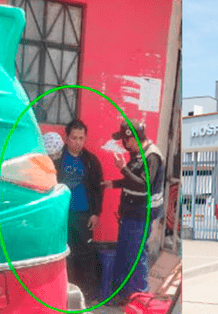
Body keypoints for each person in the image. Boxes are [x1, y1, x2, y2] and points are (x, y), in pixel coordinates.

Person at [102, 119, 165, 305]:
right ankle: (124, 297)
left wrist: (122, 169)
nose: (123, 144)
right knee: (124, 254)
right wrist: (113, 184)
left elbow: (144, 185)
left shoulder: (151, 157)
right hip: (130, 213)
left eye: (124, 140)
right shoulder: (137, 154)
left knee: (136, 257)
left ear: (132, 139)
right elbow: (131, 180)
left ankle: (141, 299)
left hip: (141, 215)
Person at [52, 119, 104, 301]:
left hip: (83, 215)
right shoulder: (57, 158)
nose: (78, 142)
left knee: (85, 254)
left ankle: (88, 292)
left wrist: (96, 213)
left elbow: (98, 188)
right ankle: (66, 291)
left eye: (81, 138)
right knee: (64, 253)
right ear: (67, 138)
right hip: (61, 214)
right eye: (74, 138)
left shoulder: (91, 161)